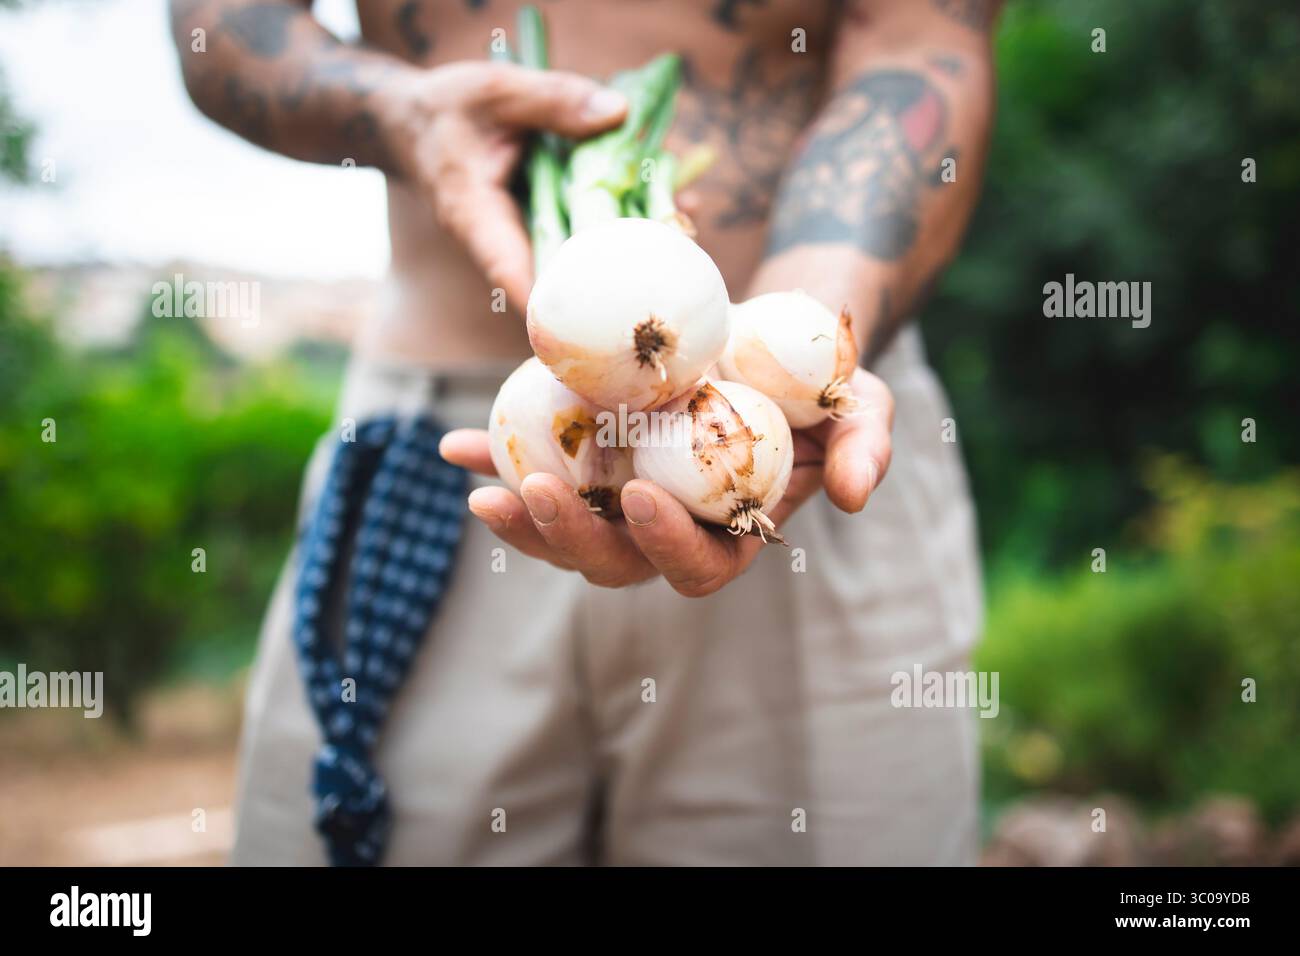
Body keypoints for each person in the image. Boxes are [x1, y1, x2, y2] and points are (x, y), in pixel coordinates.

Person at [170, 0, 998, 865]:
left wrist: (808, 336)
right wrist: (404, 113)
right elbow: (222, 25)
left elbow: (924, 38)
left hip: (801, 438)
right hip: (454, 445)